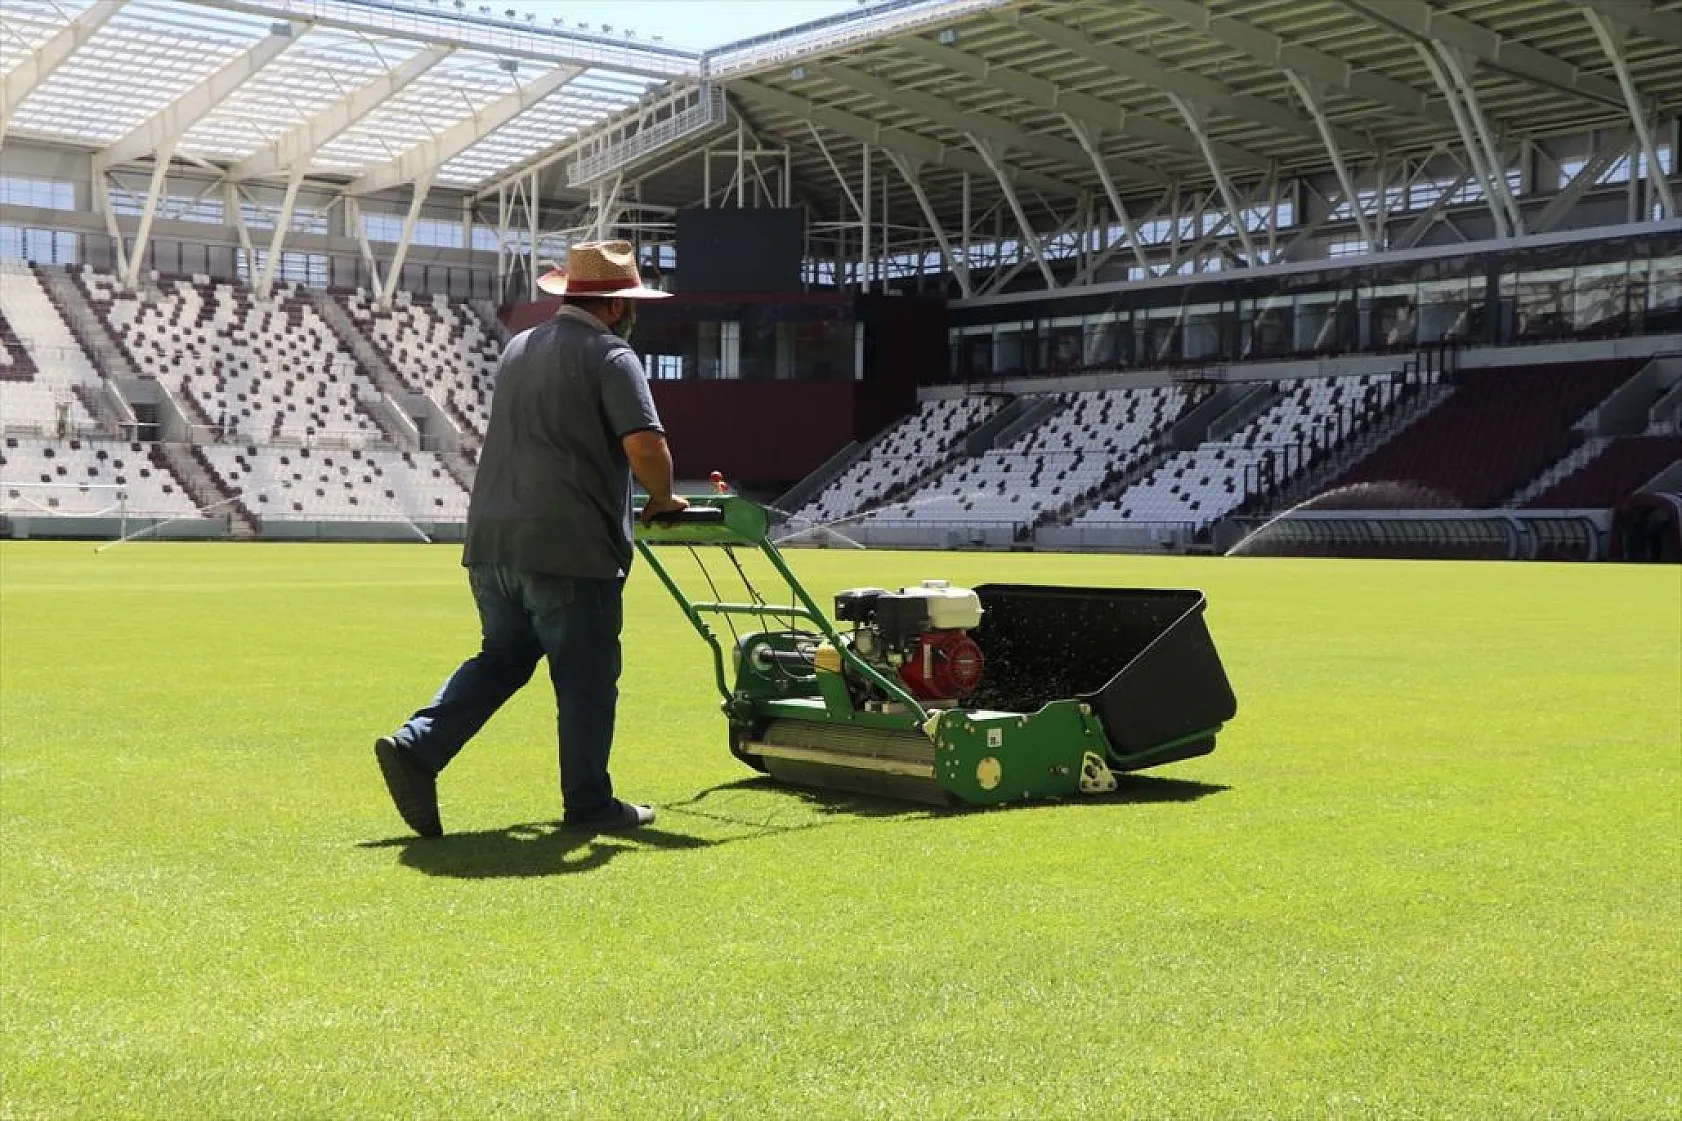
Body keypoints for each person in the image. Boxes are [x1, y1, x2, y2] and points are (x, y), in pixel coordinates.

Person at [374, 240, 686, 838]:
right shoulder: (611, 354)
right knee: (586, 677)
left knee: (504, 658)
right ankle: (590, 803)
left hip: (493, 540)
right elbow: (646, 445)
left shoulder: (520, 346)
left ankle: (417, 746)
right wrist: (665, 498)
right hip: (569, 546)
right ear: (616, 306)